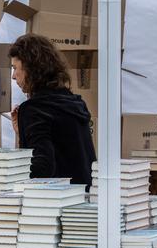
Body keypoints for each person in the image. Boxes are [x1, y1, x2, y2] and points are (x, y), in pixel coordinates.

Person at [9, 33, 96, 187]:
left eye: (15, 68)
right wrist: (21, 132)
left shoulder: (34, 109)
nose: (13, 76)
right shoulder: (75, 103)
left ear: (29, 67)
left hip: (55, 203)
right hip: (85, 199)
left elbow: (41, 168)